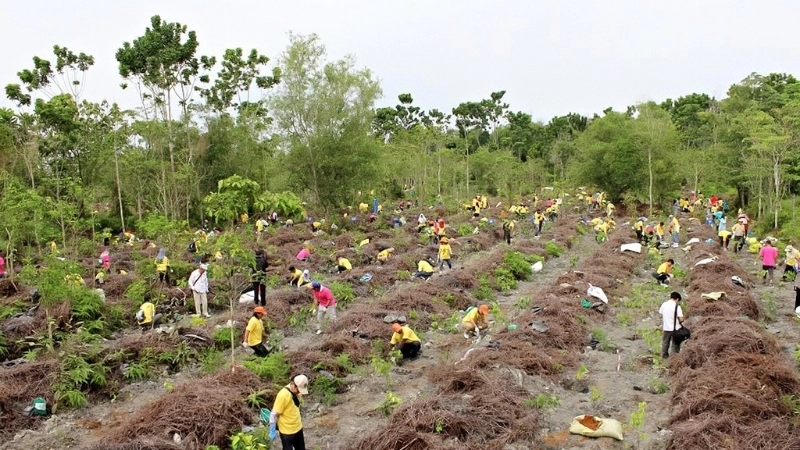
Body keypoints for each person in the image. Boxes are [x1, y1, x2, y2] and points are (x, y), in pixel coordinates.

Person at [269, 375, 308, 450]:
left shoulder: (296, 391)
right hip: (287, 432)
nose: (300, 393)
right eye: (299, 390)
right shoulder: (283, 395)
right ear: (293, 385)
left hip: (298, 428)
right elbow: (274, 414)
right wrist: (272, 429)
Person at [658, 292, 686, 358]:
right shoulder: (677, 306)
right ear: (677, 299)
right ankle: (673, 358)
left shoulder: (664, 304)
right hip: (675, 329)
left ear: (671, 297)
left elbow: (661, 313)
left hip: (666, 327)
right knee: (675, 344)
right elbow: (681, 319)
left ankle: (664, 356)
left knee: (665, 343)